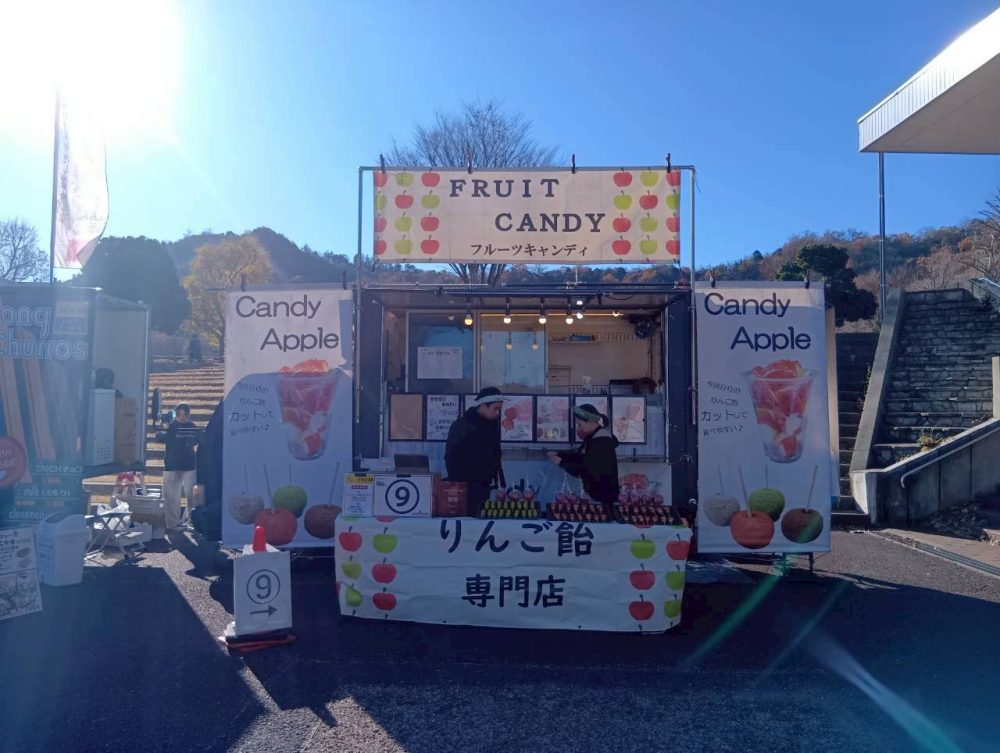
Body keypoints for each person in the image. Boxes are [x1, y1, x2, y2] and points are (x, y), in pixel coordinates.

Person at [445, 386, 506, 515]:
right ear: (483, 406)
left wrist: (501, 484)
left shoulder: (493, 425)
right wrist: (457, 486)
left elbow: (496, 456)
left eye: (499, 409)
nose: (498, 413)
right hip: (464, 487)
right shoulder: (462, 425)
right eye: (495, 409)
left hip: (486, 487)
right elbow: (451, 457)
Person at [548, 403, 620, 511]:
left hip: (602, 500)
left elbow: (584, 469)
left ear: (590, 421)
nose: (578, 428)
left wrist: (561, 463)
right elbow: (580, 457)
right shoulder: (593, 438)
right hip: (595, 496)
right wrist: (559, 454)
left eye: (579, 425)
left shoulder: (601, 442)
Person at [155, 403, 201, 530]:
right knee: (171, 497)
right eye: (179, 414)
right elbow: (159, 437)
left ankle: (193, 521)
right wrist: (163, 428)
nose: (182, 417)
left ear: (188, 414)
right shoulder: (170, 427)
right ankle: (172, 523)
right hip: (172, 466)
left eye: (184, 414)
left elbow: (198, 440)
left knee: (193, 496)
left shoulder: (192, 427)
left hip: (189, 465)